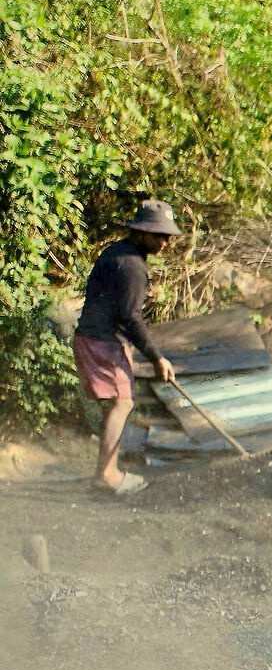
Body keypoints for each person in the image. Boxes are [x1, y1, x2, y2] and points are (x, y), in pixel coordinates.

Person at [74, 199, 181, 497]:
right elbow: (130, 316)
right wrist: (158, 358)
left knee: (119, 403)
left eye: (167, 236)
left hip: (96, 338)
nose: (164, 242)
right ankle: (107, 476)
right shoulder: (133, 265)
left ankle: (108, 472)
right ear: (140, 233)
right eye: (158, 235)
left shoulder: (118, 253)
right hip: (101, 341)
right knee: (122, 403)